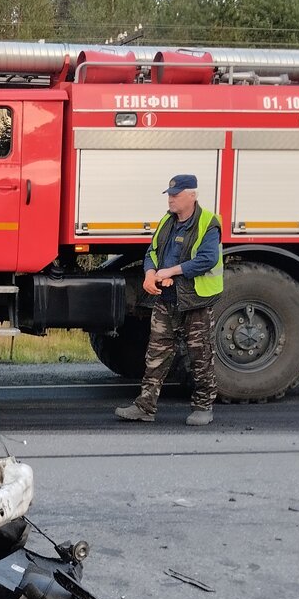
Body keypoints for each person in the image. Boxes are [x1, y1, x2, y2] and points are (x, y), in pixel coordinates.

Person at [115, 174, 224, 426]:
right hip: (166, 299)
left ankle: (203, 407)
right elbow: (152, 250)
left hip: (196, 300)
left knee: (200, 356)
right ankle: (145, 407)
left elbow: (207, 260)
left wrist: (171, 271)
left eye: (176, 195)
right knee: (156, 354)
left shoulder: (208, 223)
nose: (171, 199)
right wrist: (150, 272)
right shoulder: (167, 220)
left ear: (192, 196)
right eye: (170, 195)